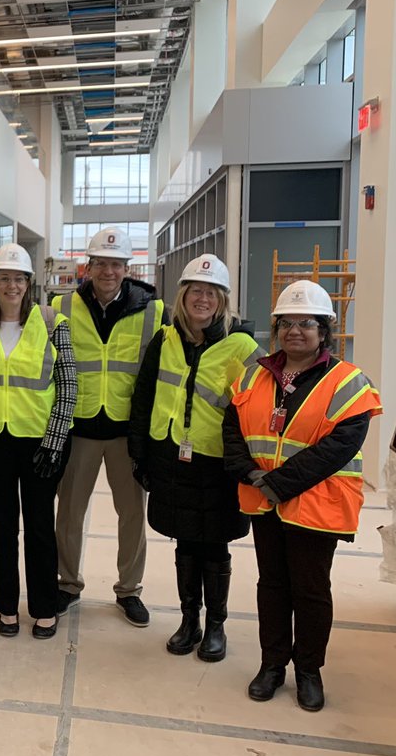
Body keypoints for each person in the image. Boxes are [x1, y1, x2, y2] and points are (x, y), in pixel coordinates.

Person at [225, 280, 380, 712]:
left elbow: (339, 446)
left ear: (324, 330)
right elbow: (233, 428)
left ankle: (308, 671)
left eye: (306, 323)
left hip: (315, 504)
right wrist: (248, 471)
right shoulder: (256, 373)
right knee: (272, 585)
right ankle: (272, 665)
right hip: (263, 501)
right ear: (276, 328)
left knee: (310, 590)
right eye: (287, 323)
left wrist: (277, 483)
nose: (296, 331)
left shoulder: (348, 381)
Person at [129, 255, 260, 662]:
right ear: (183, 296)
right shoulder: (165, 340)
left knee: (215, 545)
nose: (202, 299)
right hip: (170, 454)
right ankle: (190, 621)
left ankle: (216, 626)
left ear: (222, 300)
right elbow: (144, 397)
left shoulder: (242, 346)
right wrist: (140, 456)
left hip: (217, 462)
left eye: (211, 293)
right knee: (184, 542)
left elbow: (254, 411)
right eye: (195, 292)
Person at [52, 227, 167, 625]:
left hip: (125, 431)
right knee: (69, 513)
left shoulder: (153, 310)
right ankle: (67, 583)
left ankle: (129, 590)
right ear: (88, 266)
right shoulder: (61, 307)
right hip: (78, 426)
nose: (108, 271)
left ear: (126, 269)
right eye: (101, 263)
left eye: (116, 264)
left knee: (132, 514)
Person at [0, 244, 77, 640]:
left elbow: (68, 384)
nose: (12, 285)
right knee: (1, 528)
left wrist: (54, 440)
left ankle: (45, 606)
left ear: (29, 283)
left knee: (39, 527)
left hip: (40, 444)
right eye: (4, 278)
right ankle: (6, 605)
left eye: (19, 278)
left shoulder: (52, 323)